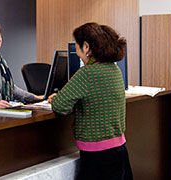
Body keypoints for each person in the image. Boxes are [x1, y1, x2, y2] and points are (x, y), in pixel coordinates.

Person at [48, 22, 133, 179]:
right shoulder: (114, 70)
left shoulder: (86, 73)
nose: (77, 51)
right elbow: (98, 99)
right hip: (119, 148)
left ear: (86, 47)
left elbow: (60, 106)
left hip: (97, 155)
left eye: (77, 47)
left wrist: (57, 98)